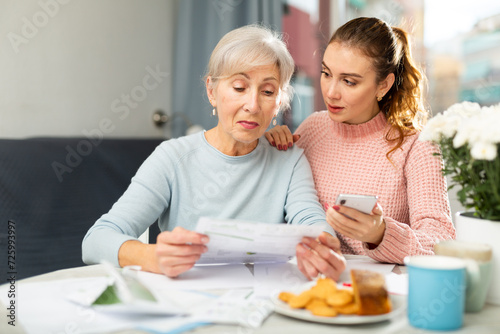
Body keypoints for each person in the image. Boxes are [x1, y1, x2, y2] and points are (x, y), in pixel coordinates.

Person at [82, 24, 346, 280]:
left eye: (267, 91)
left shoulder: (289, 159)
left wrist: (324, 246)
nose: (252, 105)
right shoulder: (172, 158)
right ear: (212, 90)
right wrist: (150, 256)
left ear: (278, 103)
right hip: (188, 301)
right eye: (239, 88)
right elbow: (96, 240)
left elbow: (312, 221)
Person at [265, 17, 455, 264]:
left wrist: (381, 234)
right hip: (313, 279)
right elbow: (279, 206)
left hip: (379, 291)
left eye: (349, 81)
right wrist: (268, 151)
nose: (331, 92)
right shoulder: (313, 128)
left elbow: (441, 242)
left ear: (383, 85)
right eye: (326, 73)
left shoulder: (417, 145)